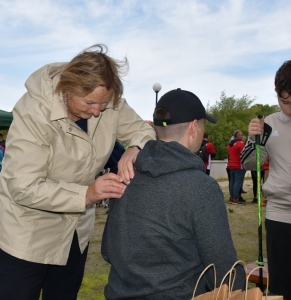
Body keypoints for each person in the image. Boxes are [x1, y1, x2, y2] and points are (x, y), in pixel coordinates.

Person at [0, 44, 156, 300]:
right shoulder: (33, 113)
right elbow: (23, 186)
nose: (97, 111)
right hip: (27, 230)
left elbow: (145, 131)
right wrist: (87, 194)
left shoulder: (108, 103)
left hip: (75, 231)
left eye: (103, 103)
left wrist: (134, 147)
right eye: (90, 102)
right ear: (68, 88)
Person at [102, 88, 245, 299]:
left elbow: (107, 250)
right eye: (204, 124)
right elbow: (224, 272)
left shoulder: (126, 174)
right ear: (194, 128)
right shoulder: (201, 188)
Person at [241, 60, 291, 299]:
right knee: (280, 288)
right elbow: (248, 164)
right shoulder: (269, 124)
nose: (289, 108)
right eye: (285, 101)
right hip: (280, 215)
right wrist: (253, 140)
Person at [226, 130, 246, 205]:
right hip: (238, 165)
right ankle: (236, 198)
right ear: (237, 136)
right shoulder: (240, 144)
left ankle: (232, 197)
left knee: (232, 182)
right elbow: (243, 154)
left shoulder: (230, 145)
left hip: (231, 165)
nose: (242, 136)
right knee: (238, 182)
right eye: (241, 135)